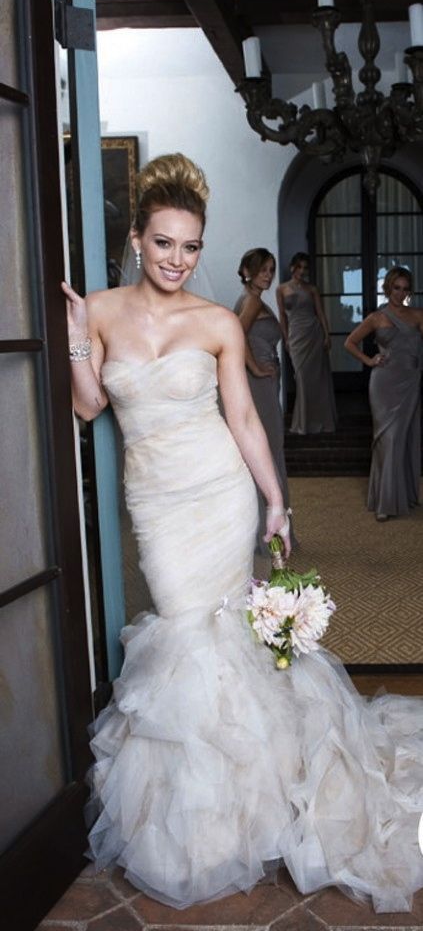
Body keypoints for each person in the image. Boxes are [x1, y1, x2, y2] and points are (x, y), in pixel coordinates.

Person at [62, 155, 423, 914]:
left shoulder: (218, 321)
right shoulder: (96, 310)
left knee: (213, 638)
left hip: (218, 494)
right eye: (163, 243)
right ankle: (206, 812)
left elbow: (244, 419)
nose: (175, 259)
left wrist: (274, 504)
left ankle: (233, 816)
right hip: (157, 504)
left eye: (190, 247)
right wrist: (72, 337)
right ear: (136, 239)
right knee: (180, 631)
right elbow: (91, 407)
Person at [344, 266, 423, 521]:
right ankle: (384, 502)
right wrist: (369, 361)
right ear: (388, 288)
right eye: (396, 288)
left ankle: (404, 496)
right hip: (384, 384)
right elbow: (349, 342)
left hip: (409, 383)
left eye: (405, 288)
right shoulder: (376, 317)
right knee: (387, 440)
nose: (400, 293)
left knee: (405, 438)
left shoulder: (418, 315)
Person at [234, 248, 291, 552]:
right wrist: (255, 366)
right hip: (259, 384)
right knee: (268, 451)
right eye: (262, 269)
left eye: (271, 269)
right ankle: (268, 532)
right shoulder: (252, 301)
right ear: (247, 270)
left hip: (264, 383)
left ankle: (269, 526)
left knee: (267, 449)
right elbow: (235, 334)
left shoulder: (252, 299)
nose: (268, 275)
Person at [277, 252, 336, 434]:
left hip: (313, 334)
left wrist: (327, 335)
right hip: (296, 336)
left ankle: (320, 422)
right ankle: (302, 423)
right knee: (301, 378)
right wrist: (286, 339)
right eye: (299, 267)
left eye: (306, 268)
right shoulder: (281, 289)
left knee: (316, 380)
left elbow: (320, 313)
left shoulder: (312, 289)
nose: (302, 271)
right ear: (292, 267)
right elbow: (282, 317)